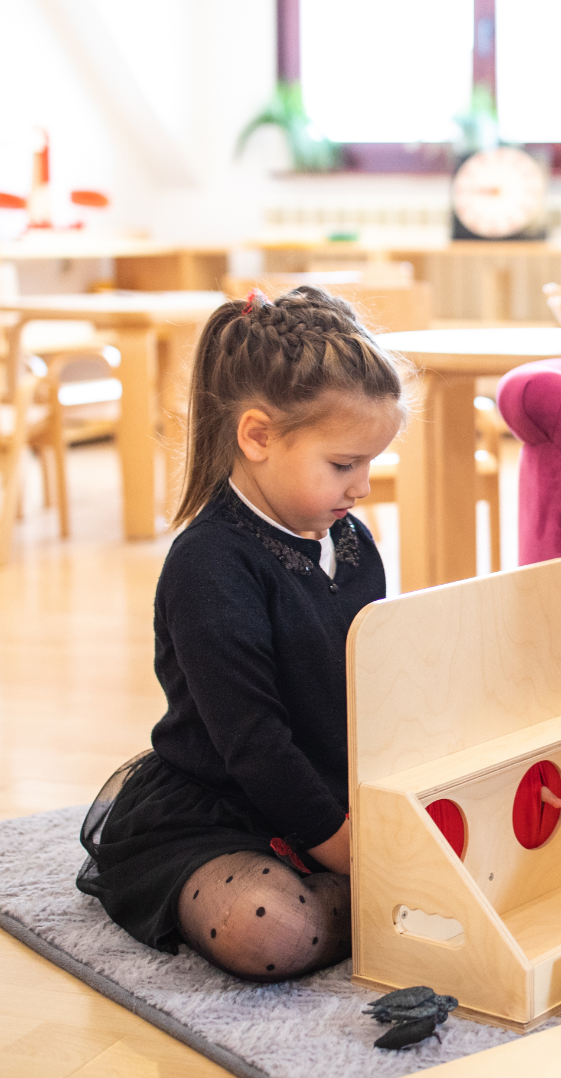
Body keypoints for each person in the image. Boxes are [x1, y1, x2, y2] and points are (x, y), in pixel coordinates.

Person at [74, 287, 407, 982]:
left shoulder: (352, 542)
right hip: (225, 805)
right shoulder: (209, 566)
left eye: (370, 464)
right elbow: (255, 746)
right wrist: (361, 856)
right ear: (257, 437)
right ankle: (381, 898)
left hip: (332, 789)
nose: (363, 487)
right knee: (270, 930)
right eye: (344, 465)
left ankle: (383, 892)